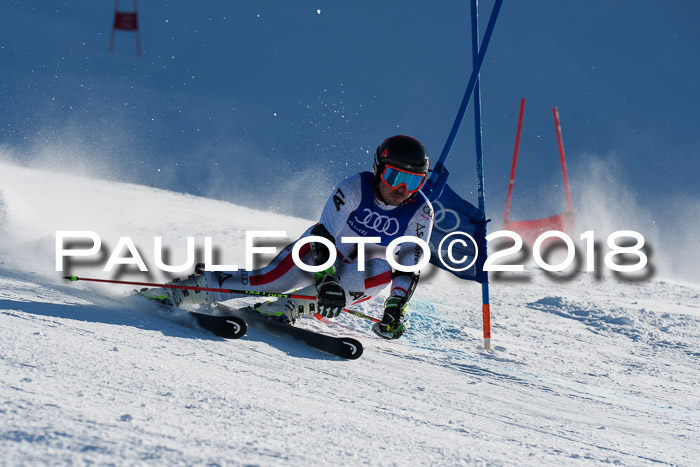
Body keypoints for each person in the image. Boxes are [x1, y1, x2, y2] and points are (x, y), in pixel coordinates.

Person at [158, 135, 434, 340]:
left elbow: (408, 265)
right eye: (395, 176)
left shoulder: (420, 212)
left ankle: (290, 307)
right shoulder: (354, 187)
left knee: (382, 266)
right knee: (270, 280)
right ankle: (190, 288)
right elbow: (322, 235)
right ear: (378, 169)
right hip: (324, 249)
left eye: (413, 181)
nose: (401, 188)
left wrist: (396, 307)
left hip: (363, 266)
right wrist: (326, 279)